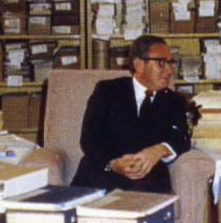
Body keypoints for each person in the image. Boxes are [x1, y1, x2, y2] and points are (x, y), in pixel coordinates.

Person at [71, 34, 191, 193]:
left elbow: (182, 139)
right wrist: (113, 163)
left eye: (171, 63)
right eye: (161, 63)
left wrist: (160, 149)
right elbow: (89, 138)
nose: (169, 70)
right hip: (105, 173)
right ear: (139, 64)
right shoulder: (107, 91)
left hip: (146, 179)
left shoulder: (175, 102)